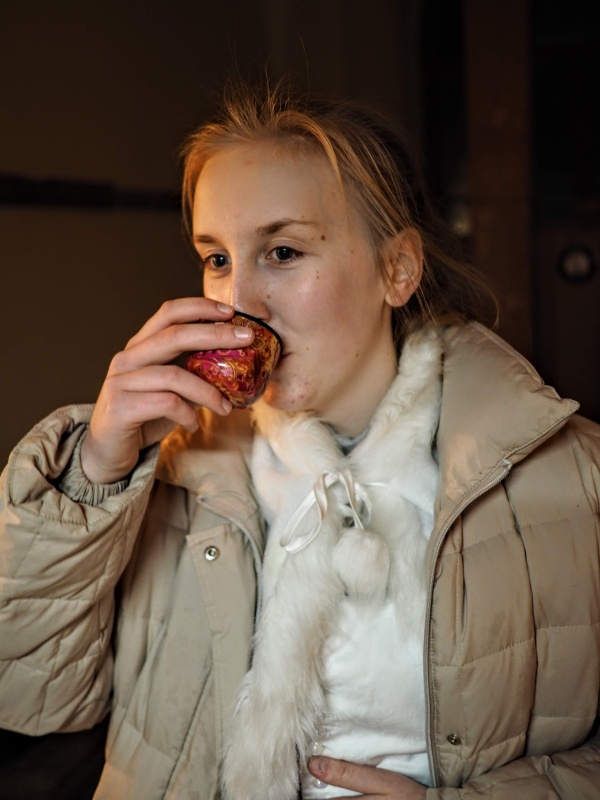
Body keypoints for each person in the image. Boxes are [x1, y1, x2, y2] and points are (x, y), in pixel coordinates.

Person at [1, 83, 599, 800]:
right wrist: (93, 473)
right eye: (216, 259)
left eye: (282, 252)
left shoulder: (571, 478)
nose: (238, 305)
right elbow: (28, 697)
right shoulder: (165, 473)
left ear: (397, 270)